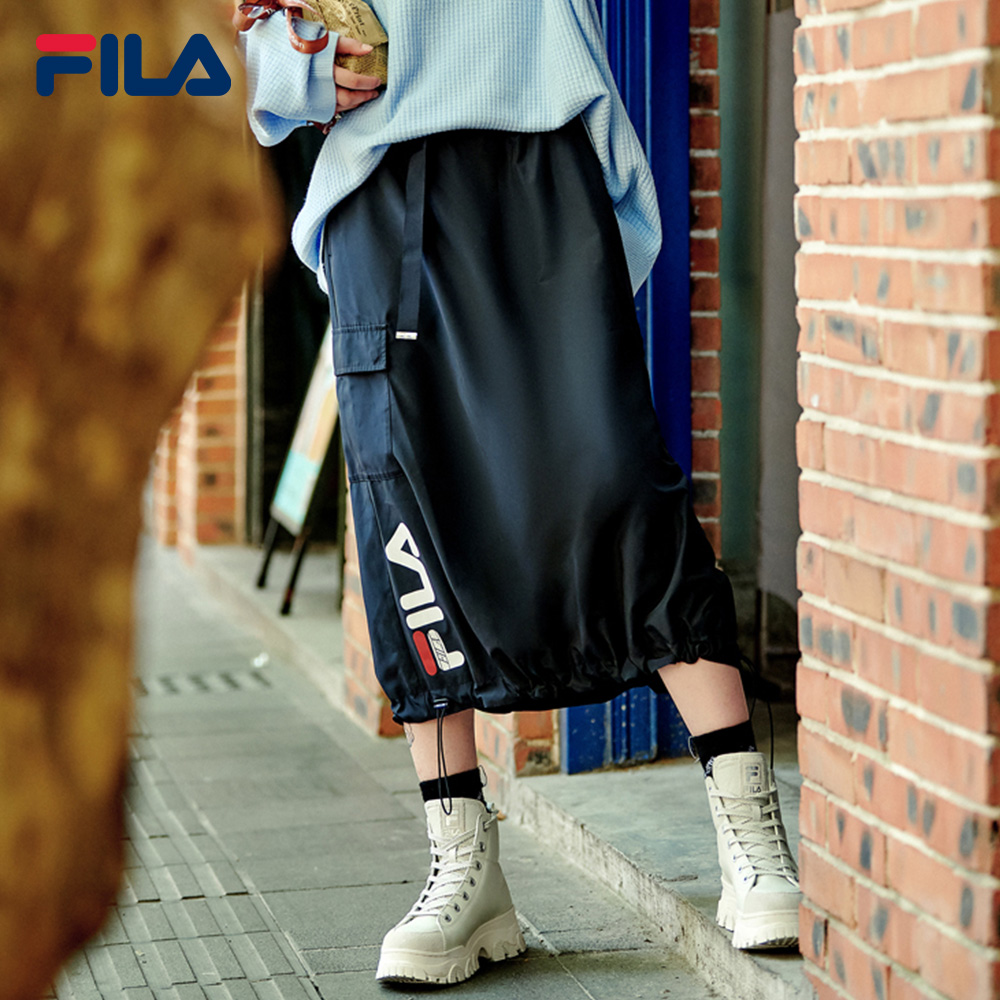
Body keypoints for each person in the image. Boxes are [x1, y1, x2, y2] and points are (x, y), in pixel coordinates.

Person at [239, 0, 801, 986]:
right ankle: (463, 863)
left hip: (542, 147)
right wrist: (300, 71)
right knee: (408, 521)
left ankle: (749, 830)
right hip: (380, 185)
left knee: (616, 484)